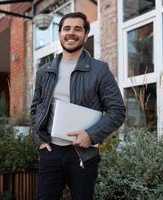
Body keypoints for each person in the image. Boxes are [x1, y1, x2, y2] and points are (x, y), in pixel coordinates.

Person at [30, 12, 126, 200]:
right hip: (50, 151)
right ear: (60, 34)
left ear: (86, 34)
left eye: (77, 29)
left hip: (83, 154)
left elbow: (117, 111)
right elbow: (36, 108)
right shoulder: (44, 71)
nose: (71, 33)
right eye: (66, 28)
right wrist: (39, 139)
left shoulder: (100, 70)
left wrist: (91, 135)